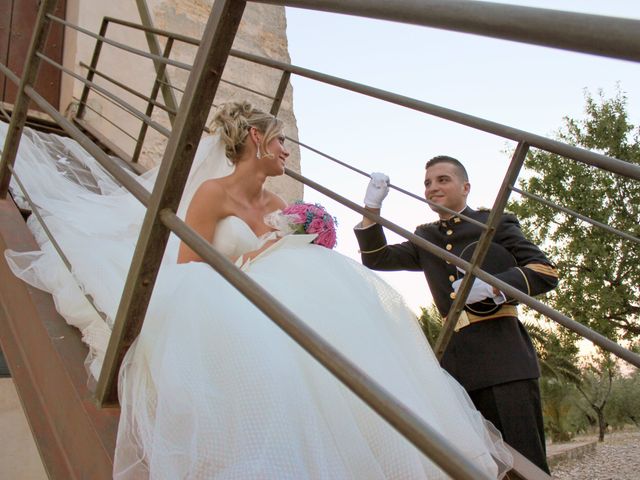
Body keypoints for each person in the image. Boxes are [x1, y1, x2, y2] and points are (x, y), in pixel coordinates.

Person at [3, 106, 513, 479]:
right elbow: (188, 261)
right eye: (281, 143)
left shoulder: (273, 199)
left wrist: (295, 240)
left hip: (275, 294)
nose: (287, 153)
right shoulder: (212, 193)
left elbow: (282, 246)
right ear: (255, 138)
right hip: (219, 293)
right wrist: (253, 257)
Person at [354, 156, 558, 473]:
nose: (433, 187)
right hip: (455, 366)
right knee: (474, 467)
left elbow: (545, 270)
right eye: (427, 183)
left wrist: (495, 287)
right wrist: (371, 209)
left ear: (465, 187)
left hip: (505, 358)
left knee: (524, 464)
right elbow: (377, 258)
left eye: (442, 180)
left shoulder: (494, 223)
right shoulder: (426, 236)